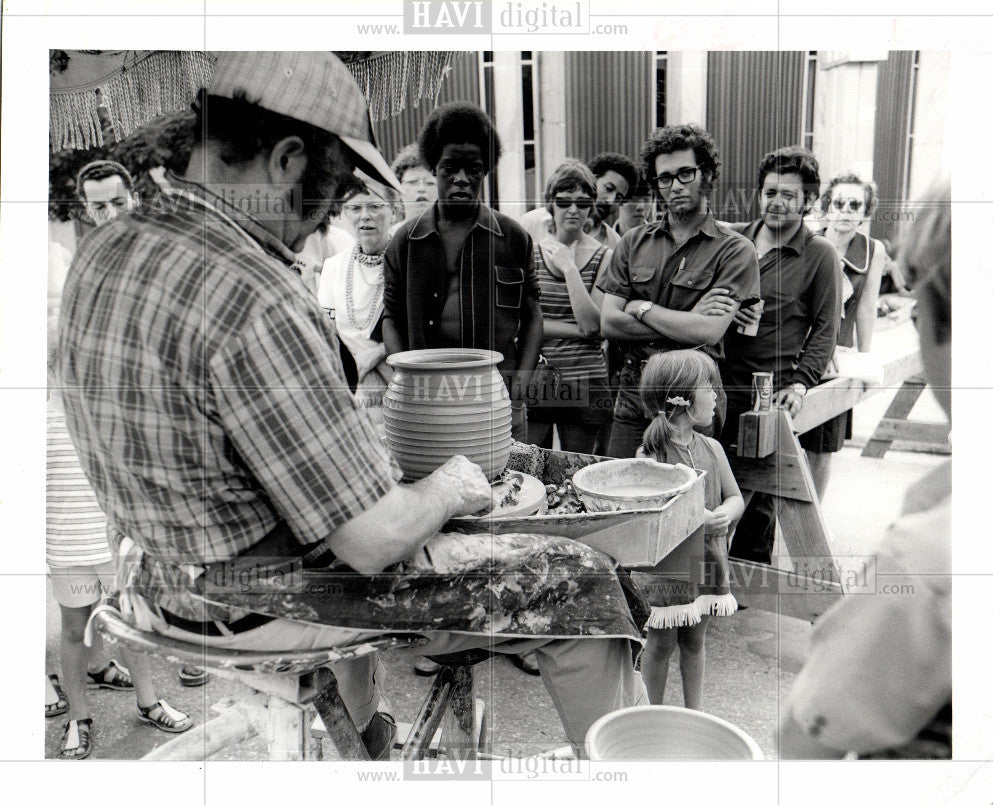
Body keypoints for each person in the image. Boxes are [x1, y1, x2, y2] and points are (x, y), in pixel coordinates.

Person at [58, 53, 646, 759]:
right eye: (328, 192)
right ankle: (630, 768)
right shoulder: (255, 290)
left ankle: (367, 735)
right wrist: (450, 482)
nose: (320, 225)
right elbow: (369, 541)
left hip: (155, 577)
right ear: (285, 159)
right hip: (251, 601)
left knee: (365, 504)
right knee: (581, 582)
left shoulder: (108, 241)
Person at [778, 180, 951, 759]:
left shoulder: (931, 550)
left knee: (817, 464)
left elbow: (806, 738)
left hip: (826, 367)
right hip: (808, 370)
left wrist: (854, 365)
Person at [75, 161, 208, 691]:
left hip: (175, 427)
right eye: (97, 206)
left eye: (117, 202)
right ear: (85, 211)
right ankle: (153, 653)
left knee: (189, 544)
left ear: (135, 198)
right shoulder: (85, 266)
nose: (109, 214)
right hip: (118, 435)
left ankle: (201, 642)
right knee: (129, 550)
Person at [47, 311, 192, 759]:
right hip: (66, 547)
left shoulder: (108, 409)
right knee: (74, 630)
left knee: (131, 625)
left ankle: (148, 702)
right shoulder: (38, 418)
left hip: (115, 545)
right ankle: (78, 717)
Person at [383, 101, 544, 444]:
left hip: (498, 398)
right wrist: (404, 375)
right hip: (428, 401)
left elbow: (532, 314)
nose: (461, 179)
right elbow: (391, 317)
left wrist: (522, 382)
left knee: (507, 488)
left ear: (485, 171)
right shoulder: (403, 242)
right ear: (434, 169)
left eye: (473, 169)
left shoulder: (513, 237)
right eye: (449, 168)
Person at [598, 124, 760, 458]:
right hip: (635, 394)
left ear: (708, 175)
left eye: (686, 173)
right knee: (620, 495)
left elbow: (710, 331)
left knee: (689, 501)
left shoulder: (735, 250)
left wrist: (642, 307)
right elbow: (609, 323)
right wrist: (687, 320)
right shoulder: (633, 243)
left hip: (694, 399)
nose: (675, 186)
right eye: (665, 178)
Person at [714, 147, 841, 565]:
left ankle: (749, 583)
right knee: (712, 479)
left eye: (789, 195)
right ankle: (704, 574)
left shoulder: (819, 254)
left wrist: (803, 382)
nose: (777, 202)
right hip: (716, 381)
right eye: (769, 192)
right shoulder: (731, 241)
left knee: (761, 492)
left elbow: (826, 328)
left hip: (767, 391)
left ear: (808, 201)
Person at [630, 351, 743, 710]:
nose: (716, 396)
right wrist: (697, 518)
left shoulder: (713, 448)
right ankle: (651, 717)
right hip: (669, 567)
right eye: (708, 387)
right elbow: (650, 516)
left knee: (695, 641)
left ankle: (696, 715)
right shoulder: (651, 456)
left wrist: (725, 512)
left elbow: (736, 497)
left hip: (707, 562)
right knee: (661, 644)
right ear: (681, 398)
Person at [798, 173, 889, 499]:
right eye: (838, 203)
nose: (846, 211)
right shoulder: (807, 240)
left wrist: (865, 360)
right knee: (788, 444)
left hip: (842, 359)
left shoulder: (873, 250)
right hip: (802, 356)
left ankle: (813, 527)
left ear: (865, 212)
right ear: (826, 207)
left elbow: (866, 308)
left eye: (855, 205)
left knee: (823, 449)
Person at [526, 159, 613, 454]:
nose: (573, 210)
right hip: (538, 375)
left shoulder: (605, 256)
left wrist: (569, 267)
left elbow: (594, 325)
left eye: (582, 202)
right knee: (528, 473)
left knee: (576, 473)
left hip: (585, 380)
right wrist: (582, 333)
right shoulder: (531, 253)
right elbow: (525, 323)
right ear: (551, 204)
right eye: (564, 202)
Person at [317, 176, 394, 435]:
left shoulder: (409, 261)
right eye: (355, 208)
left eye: (375, 207)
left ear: (393, 210)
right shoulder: (333, 267)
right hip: (350, 384)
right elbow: (326, 331)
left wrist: (373, 355)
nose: (365, 216)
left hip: (399, 382)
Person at [519, 152, 638, 250]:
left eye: (619, 198)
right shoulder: (531, 223)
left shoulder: (614, 244)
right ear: (592, 180)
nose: (610, 201)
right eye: (609, 188)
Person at [391, 142, 436, 223]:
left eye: (430, 183)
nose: (421, 189)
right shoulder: (391, 235)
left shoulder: (455, 234)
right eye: (412, 182)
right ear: (398, 190)